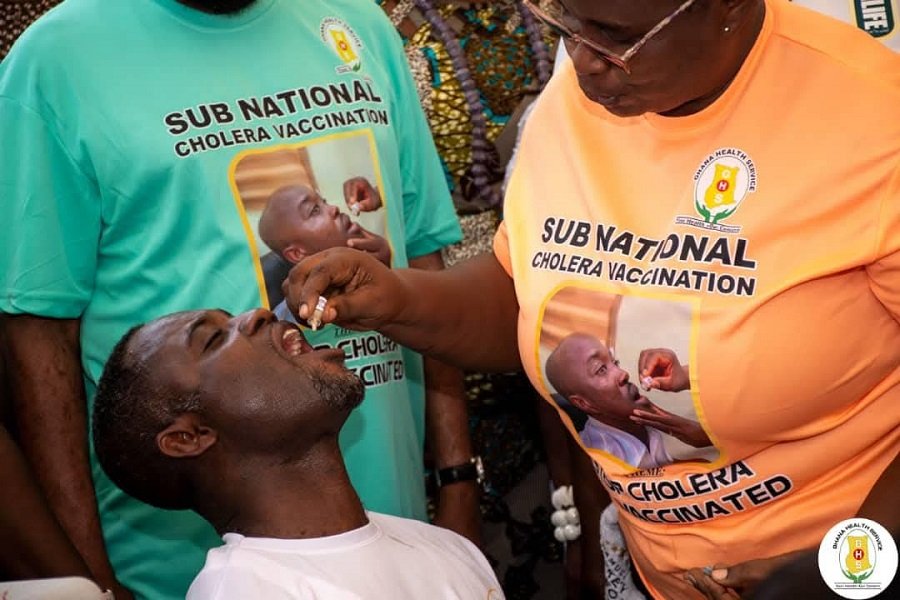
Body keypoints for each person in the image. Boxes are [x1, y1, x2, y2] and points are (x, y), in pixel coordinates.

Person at [282, 0, 900, 597]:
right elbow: (525, 296)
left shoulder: (874, 119)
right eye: (565, 22)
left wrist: (856, 564)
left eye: (612, 35)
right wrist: (395, 299)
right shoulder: (580, 98)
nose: (582, 60)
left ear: (727, 7)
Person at [0, 0, 478, 597]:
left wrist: (457, 480)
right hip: (176, 564)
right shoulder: (56, 61)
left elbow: (423, 254)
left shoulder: (358, 20)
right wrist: (88, 578)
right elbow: (38, 330)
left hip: (400, 533)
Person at [90, 308, 502, 600]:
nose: (256, 314)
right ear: (189, 437)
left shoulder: (449, 549)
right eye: (214, 339)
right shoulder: (245, 590)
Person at [545, 333, 711, 469]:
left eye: (615, 362)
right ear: (584, 404)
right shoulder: (599, 460)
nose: (623, 373)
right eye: (601, 370)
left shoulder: (660, 419)